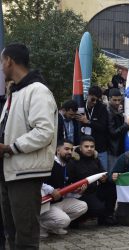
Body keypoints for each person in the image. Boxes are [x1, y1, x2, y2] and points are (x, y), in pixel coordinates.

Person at [0, 43, 58, 249]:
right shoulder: (15, 92)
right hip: (10, 171)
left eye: (1, 62)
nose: (1, 67)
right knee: (12, 233)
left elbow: (44, 132)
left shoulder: (37, 91)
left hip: (24, 172)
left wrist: (10, 148)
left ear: (9, 61)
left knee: (25, 236)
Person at [40, 140, 88, 238]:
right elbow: (36, 182)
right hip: (45, 205)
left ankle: (54, 227)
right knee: (65, 221)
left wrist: (78, 192)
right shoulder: (49, 162)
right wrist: (51, 190)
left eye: (71, 149)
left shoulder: (67, 165)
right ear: (58, 150)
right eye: (66, 149)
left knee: (83, 206)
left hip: (60, 201)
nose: (70, 152)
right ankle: (40, 226)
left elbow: (65, 191)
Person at [67, 136, 116, 226]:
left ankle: (107, 217)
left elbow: (102, 173)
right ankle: (76, 220)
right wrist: (77, 189)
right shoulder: (73, 161)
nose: (89, 149)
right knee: (98, 208)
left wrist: (104, 179)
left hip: (94, 190)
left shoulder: (95, 159)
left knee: (111, 186)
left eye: (92, 146)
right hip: (80, 194)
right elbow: (69, 182)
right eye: (86, 146)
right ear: (80, 148)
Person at [77, 85, 109, 171]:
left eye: (97, 100)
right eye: (93, 99)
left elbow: (103, 127)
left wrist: (88, 122)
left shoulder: (102, 108)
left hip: (100, 147)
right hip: (84, 147)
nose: (94, 102)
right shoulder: (80, 106)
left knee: (103, 173)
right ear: (88, 95)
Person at [107, 88, 129, 171]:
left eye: (119, 100)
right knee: (113, 174)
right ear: (109, 99)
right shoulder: (109, 112)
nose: (117, 102)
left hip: (119, 148)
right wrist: (126, 124)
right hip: (114, 150)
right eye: (114, 100)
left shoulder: (116, 112)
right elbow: (113, 133)